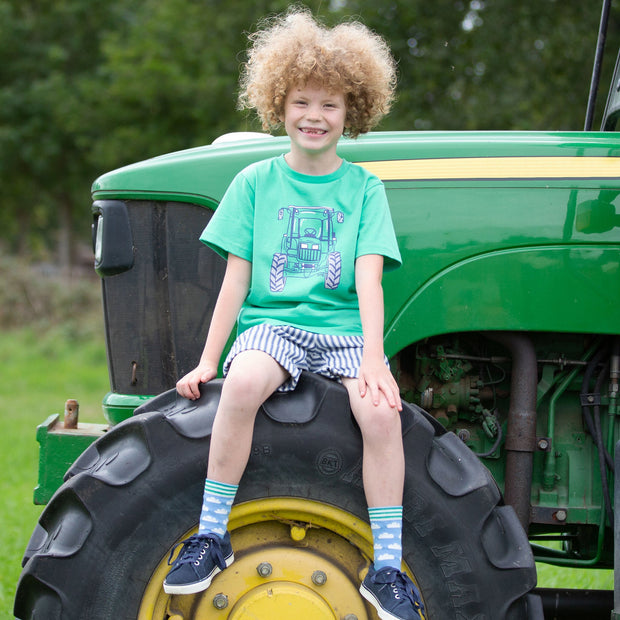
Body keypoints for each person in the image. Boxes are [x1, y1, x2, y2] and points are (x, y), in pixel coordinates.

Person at [163, 8, 426, 620]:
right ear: (278, 104)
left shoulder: (364, 188)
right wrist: (207, 360)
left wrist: (372, 357)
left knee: (383, 416)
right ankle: (210, 533)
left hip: (340, 332)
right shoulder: (255, 182)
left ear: (352, 111)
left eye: (331, 105)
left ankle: (386, 568)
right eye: (302, 102)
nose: (315, 116)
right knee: (243, 385)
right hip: (274, 326)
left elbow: (367, 279)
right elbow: (236, 278)